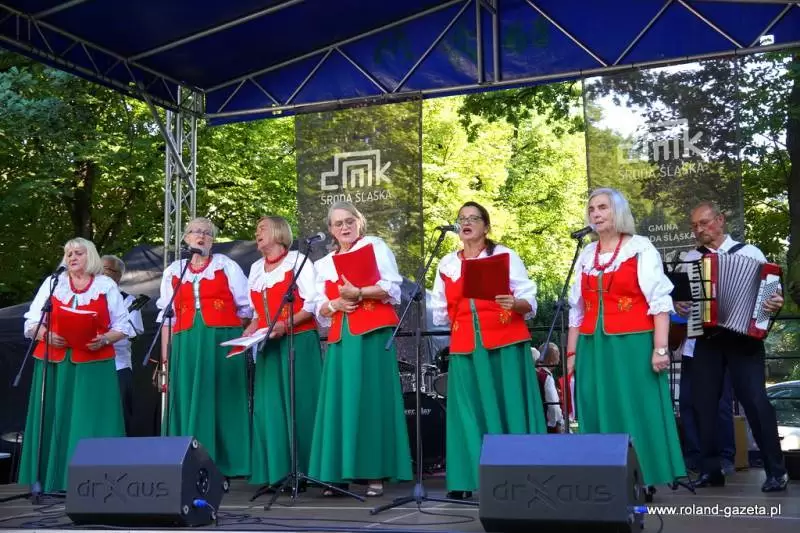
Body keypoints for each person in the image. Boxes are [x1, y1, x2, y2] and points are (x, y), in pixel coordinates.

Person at [566, 188, 685, 501]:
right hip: (593, 346)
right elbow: (577, 311)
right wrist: (571, 353)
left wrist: (660, 348)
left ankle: (643, 476)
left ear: (617, 211)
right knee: (596, 405)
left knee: (635, 407)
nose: (596, 213)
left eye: (602, 207)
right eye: (592, 209)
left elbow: (659, 302)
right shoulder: (586, 255)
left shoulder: (639, 248)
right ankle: (602, 476)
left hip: (633, 344)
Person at [430, 201, 546, 500]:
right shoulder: (447, 264)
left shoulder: (504, 255)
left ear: (486, 226)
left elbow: (528, 300)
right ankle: (466, 478)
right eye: (462, 218)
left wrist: (514, 303)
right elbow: (440, 312)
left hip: (505, 343)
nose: (466, 223)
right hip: (466, 346)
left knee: (510, 406)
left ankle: (519, 476)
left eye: (473, 218)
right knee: (467, 412)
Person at [674, 201, 786, 491]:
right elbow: (681, 301)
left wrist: (775, 301)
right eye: (694, 226)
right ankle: (711, 470)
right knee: (704, 405)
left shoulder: (750, 253)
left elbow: (772, 295)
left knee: (756, 402)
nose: (699, 230)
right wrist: (681, 304)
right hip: (706, 338)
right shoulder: (690, 258)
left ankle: (776, 471)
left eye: (704, 223)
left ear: (720, 220)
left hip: (743, 338)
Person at [308, 201, 412, 497]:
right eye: (338, 223)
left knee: (370, 401)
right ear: (331, 229)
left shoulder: (374, 246)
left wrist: (359, 292)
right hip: (341, 339)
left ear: (359, 222)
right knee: (339, 404)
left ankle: (374, 473)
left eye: (349, 221)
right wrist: (334, 305)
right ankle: (337, 475)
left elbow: (392, 287)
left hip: (372, 335)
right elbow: (317, 306)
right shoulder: (323, 263)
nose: (344, 227)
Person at [20, 238, 133, 492]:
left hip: (94, 364)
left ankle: (94, 482)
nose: (72, 257)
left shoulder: (105, 285)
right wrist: (45, 334)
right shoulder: (53, 283)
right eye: (68, 253)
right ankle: (50, 479)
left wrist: (104, 339)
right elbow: (32, 321)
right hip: (55, 363)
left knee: (89, 419)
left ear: (90, 256)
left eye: (78, 253)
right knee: (54, 419)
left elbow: (123, 326)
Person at [155, 217, 252, 479]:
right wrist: (165, 360)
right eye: (195, 232)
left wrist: (235, 334)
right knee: (188, 396)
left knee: (224, 396)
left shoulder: (226, 265)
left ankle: (227, 461)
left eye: (207, 233)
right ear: (185, 238)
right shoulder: (174, 271)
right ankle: (187, 460)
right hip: (185, 342)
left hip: (221, 341)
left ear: (213, 240)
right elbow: (167, 317)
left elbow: (246, 308)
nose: (201, 236)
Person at [243, 216, 323, 490]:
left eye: (262, 228)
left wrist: (284, 325)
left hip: (298, 342)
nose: (257, 233)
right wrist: (250, 331)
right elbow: (257, 313)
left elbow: (312, 304)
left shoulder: (298, 261)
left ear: (278, 232)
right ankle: (278, 472)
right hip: (268, 345)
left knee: (300, 403)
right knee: (270, 408)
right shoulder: (256, 268)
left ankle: (309, 470)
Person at [102, 255, 145, 436]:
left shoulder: (128, 301)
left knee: (118, 413)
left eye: (106, 270)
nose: (100, 273)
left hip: (118, 366)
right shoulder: (87, 297)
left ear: (118, 275)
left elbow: (133, 333)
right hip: (89, 364)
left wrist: (109, 336)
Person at [534, 343, 565, 434]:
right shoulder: (546, 378)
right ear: (552, 359)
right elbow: (553, 405)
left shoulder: (534, 374)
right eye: (558, 356)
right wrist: (558, 423)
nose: (559, 359)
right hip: (548, 427)